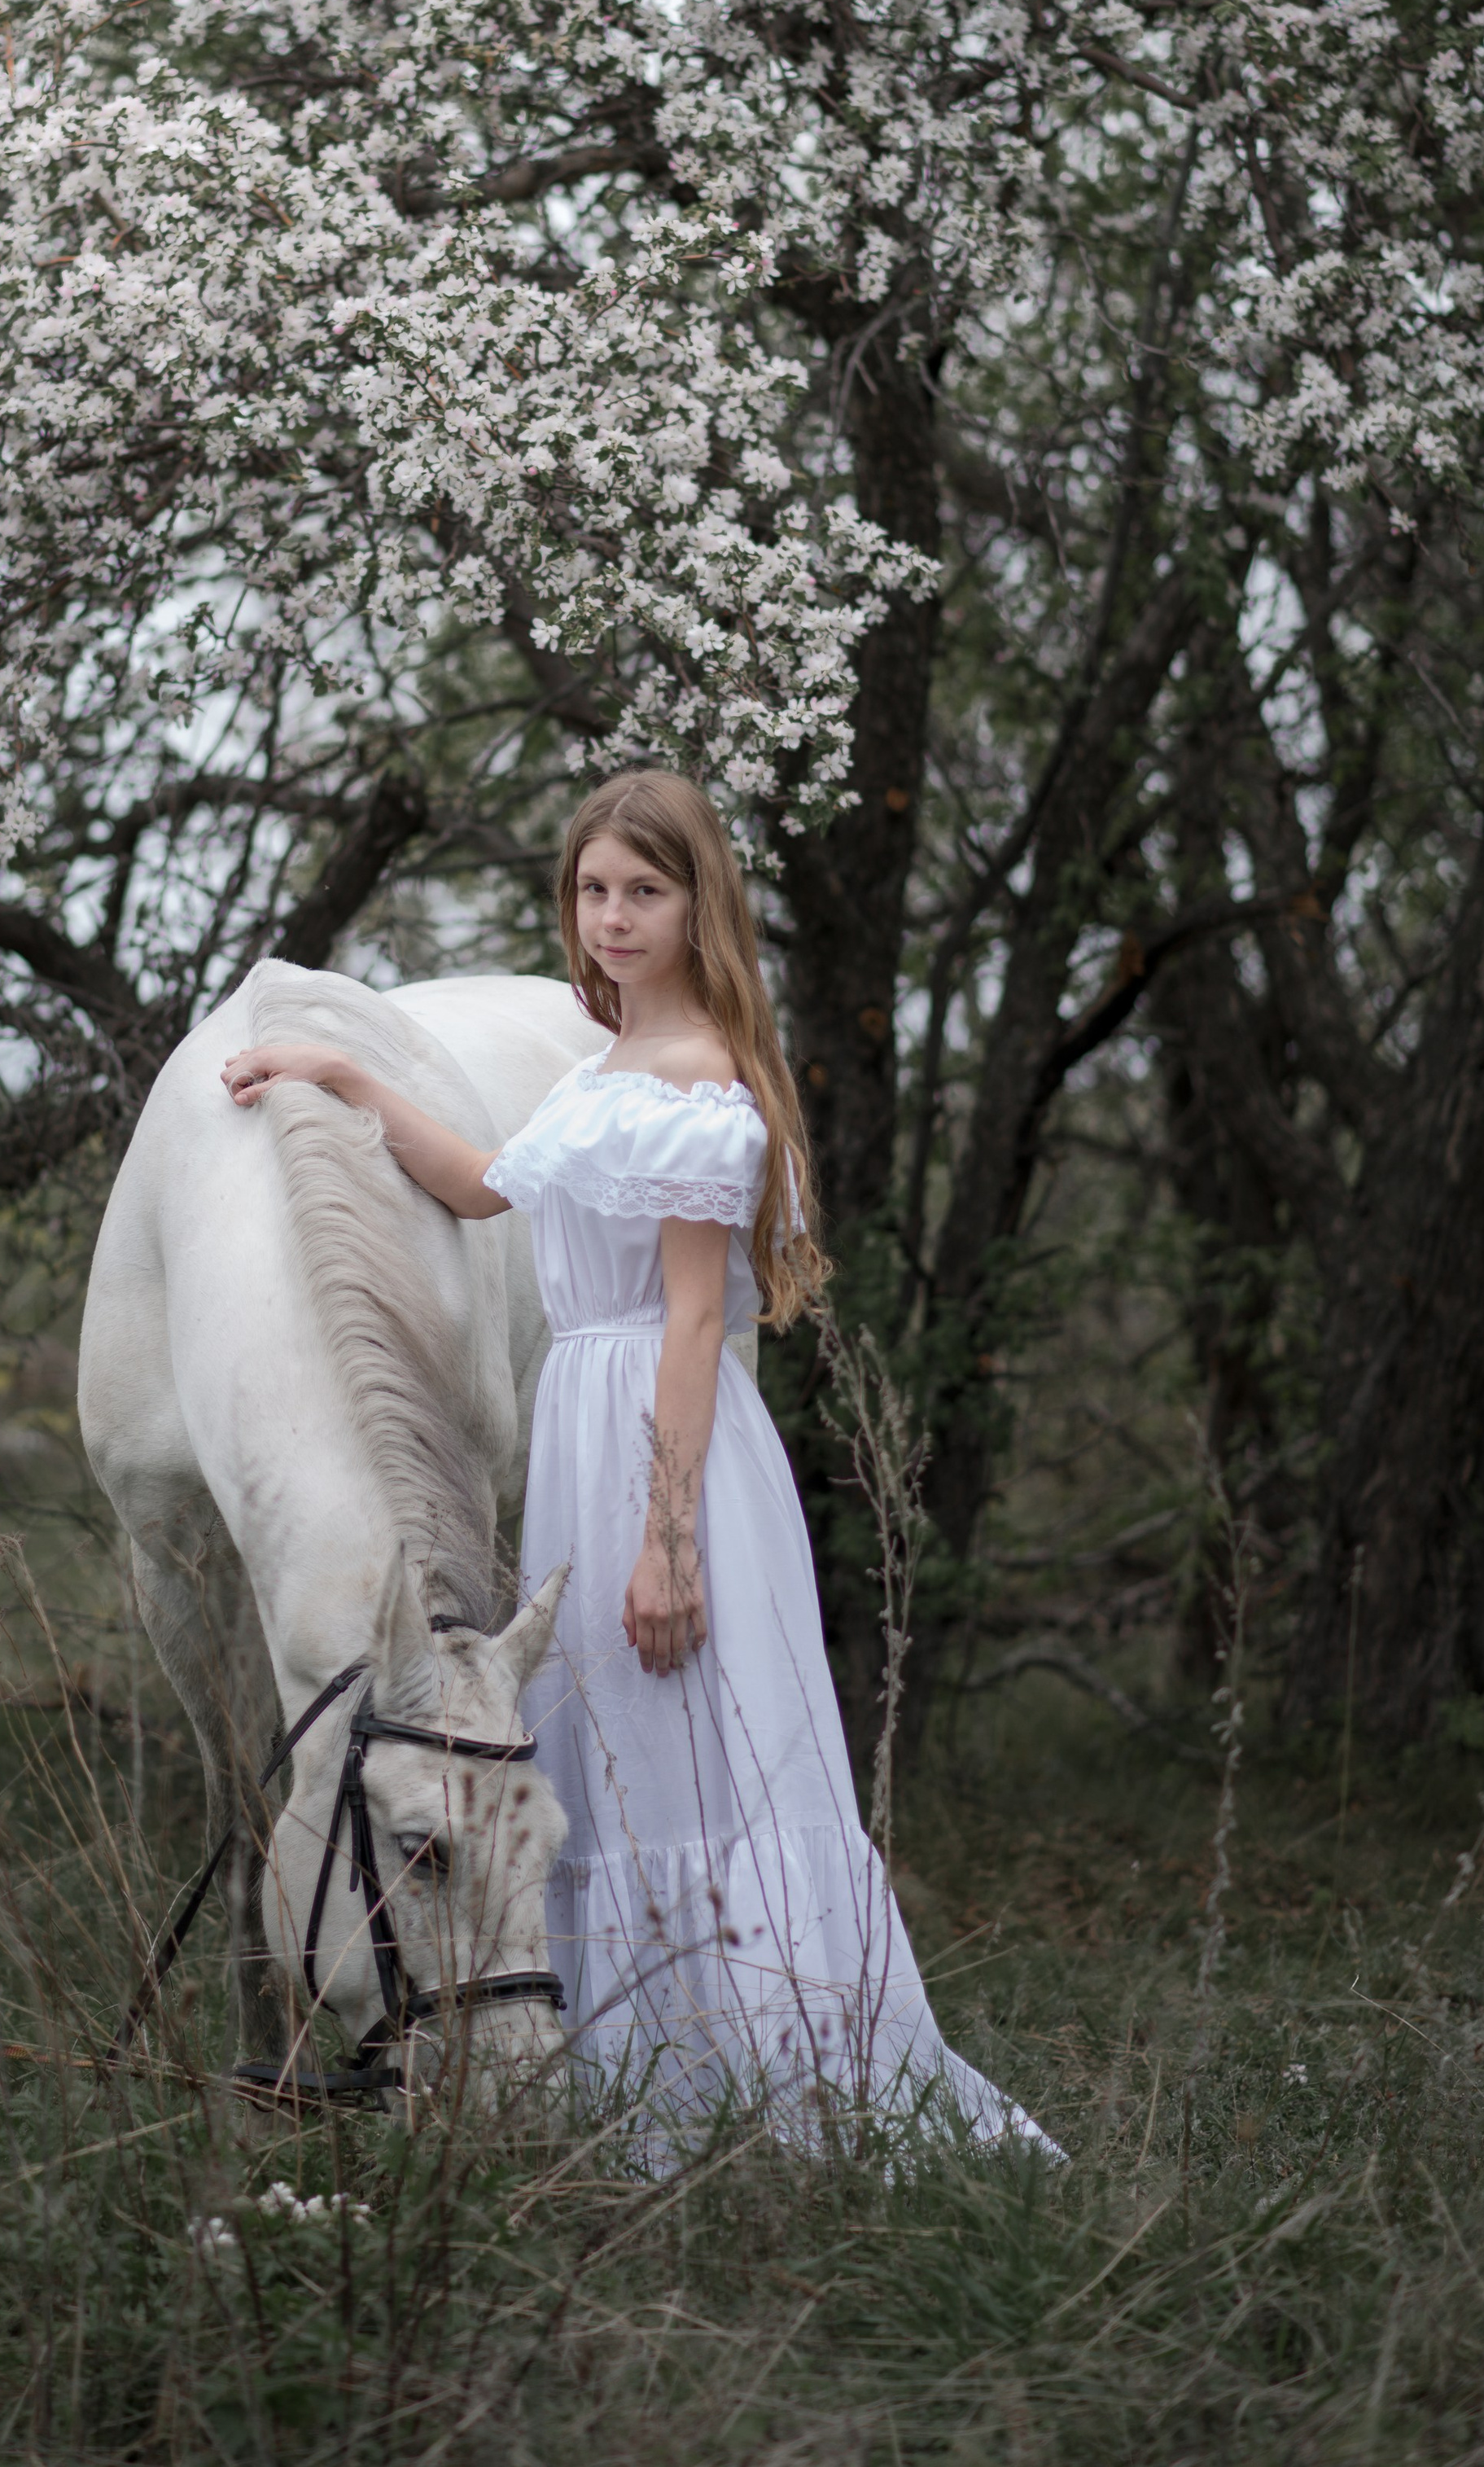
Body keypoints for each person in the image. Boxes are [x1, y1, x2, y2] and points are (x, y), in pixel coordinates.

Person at [221, 768, 1049, 2158]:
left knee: (690, 1756)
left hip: (666, 1449)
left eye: (643, 893)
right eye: (594, 891)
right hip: (585, 1435)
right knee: (606, 1761)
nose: (612, 919)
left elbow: (691, 1322)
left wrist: (669, 1541)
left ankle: (764, 2102)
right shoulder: (602, 1071)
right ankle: (628, 2091)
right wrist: (350, 1076)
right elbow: (486, 1182)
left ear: (696, 903)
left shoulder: (701, 1081)